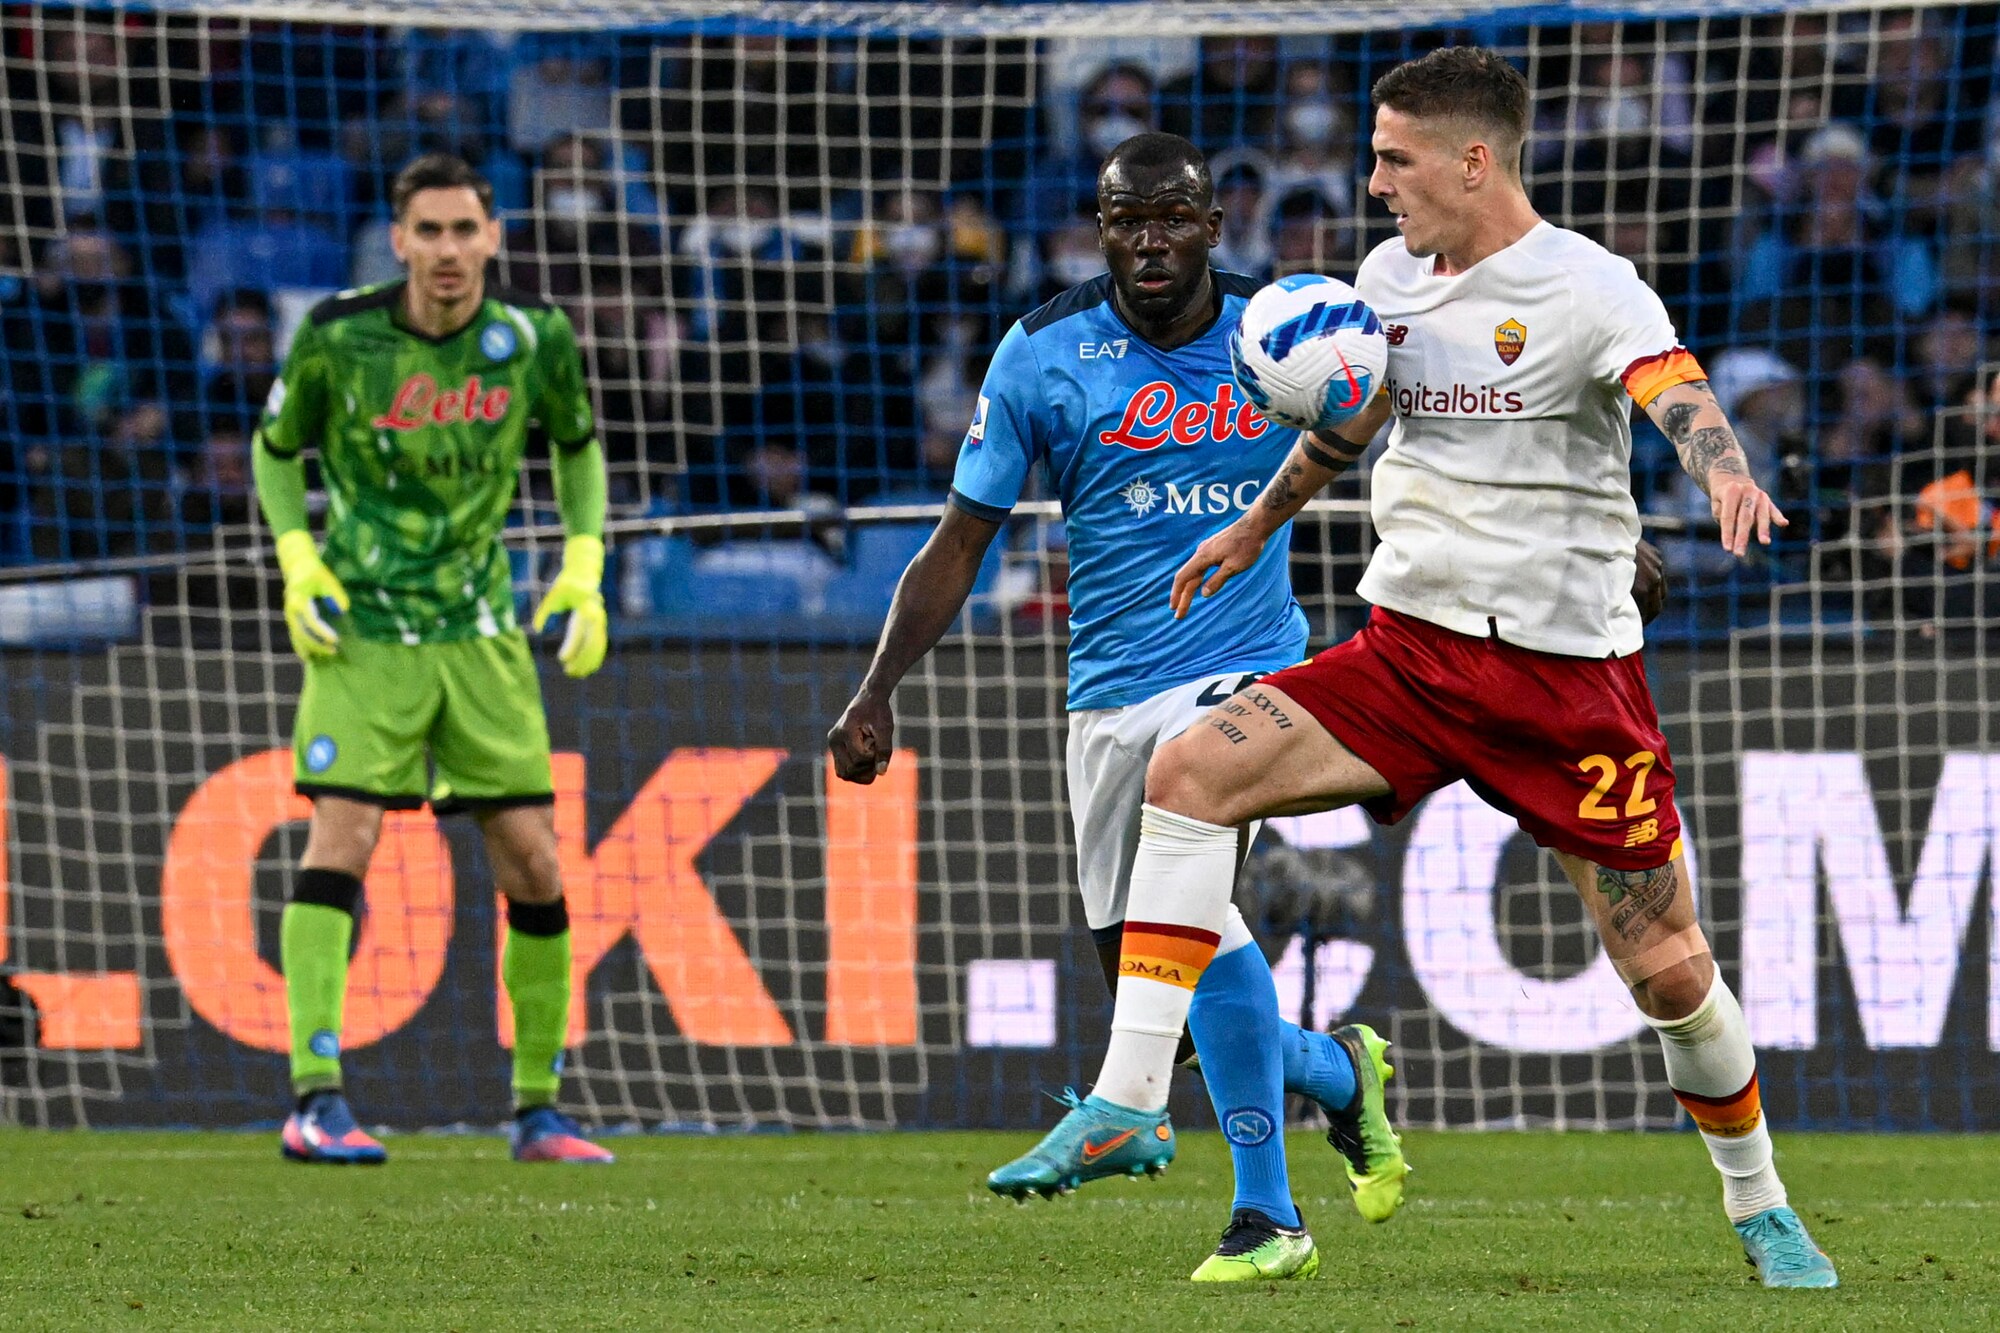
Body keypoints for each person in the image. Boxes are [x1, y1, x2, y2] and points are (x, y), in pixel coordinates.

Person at [992, 48, 1839, 1292]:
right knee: (1186, 776)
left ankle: (1760, 1205)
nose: (1374, 181)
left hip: (1565, 687)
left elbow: (1671, 388)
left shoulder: (1586, 284)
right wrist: (1253, 525)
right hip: (1408, 654)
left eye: (1393, 158)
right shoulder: (1382, 282)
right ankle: (1126, 1102)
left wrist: (1720, 468)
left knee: (1668, 973)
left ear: (1470, 161)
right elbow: (1353, 419)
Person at [827, 132, 1404, 1283]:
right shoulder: (1040, 352)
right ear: (1097, 229)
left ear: (1211, 227)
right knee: (1164, 981)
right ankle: (1337, 1071)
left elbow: (1407, 415)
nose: (1149, 240)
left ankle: (1261, 1212)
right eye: (1125, 219)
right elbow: (961, 538)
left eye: (1172, 218)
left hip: (1247, 670)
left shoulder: (1281, 331)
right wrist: (875, 686)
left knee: (1188, 868)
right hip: (1107, 690)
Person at [253, 153, 614, 1166]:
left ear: (493, 237)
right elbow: (275, 451)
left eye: (465, 230)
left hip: (481, 630)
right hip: (363, 625)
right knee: (345, 833)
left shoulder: (534, 337)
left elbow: (577, 446)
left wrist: (583, 566)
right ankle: (314, 1098)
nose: (448, 250)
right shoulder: (339, 336)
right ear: (398, 240)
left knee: (534, 859)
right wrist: (297, 561)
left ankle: (538, 1110)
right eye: (429, 231)